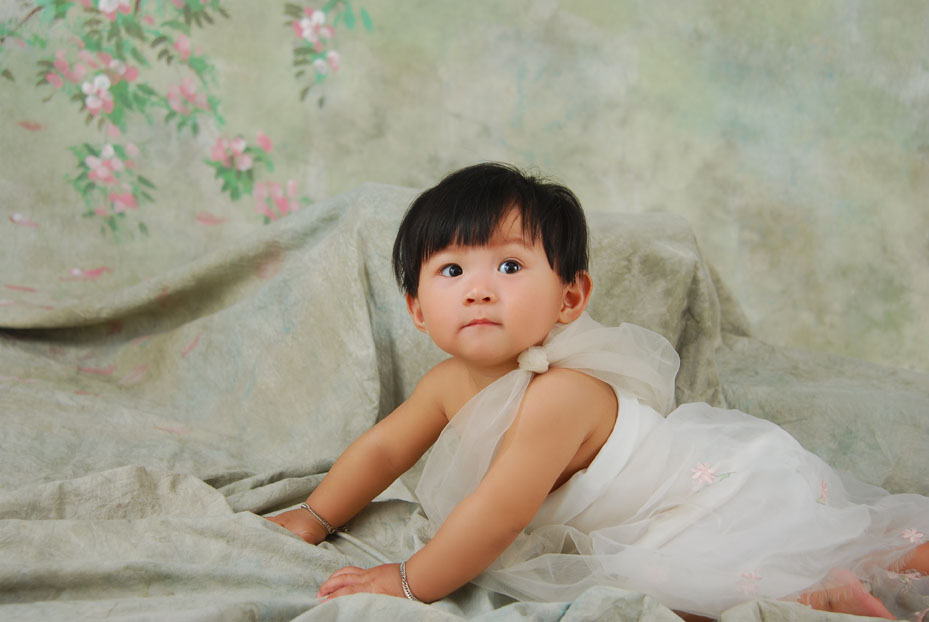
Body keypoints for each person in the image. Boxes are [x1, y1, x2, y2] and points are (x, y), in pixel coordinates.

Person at [267, 163, 929, 619]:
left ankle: (833, 589)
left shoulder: (559, 393)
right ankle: (828, 592)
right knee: (664, 596)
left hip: (696, 503)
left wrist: (410, 581)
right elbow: (384, 449)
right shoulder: (445, 384)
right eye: (450, 270)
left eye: (509, 265)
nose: (478, 289)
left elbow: (498, 515)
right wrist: (316, 516)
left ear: (570, 297)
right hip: (635, 526)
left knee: (686, 591)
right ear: (417, 309)